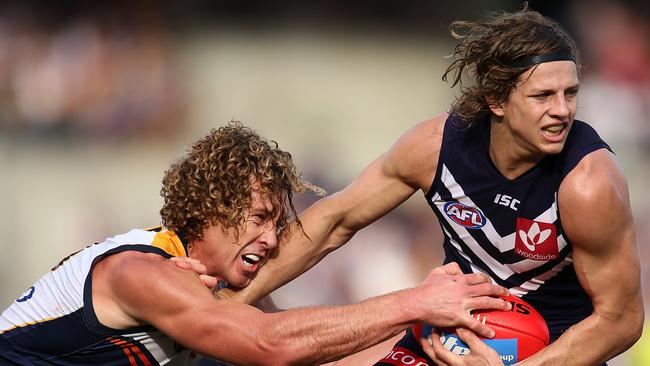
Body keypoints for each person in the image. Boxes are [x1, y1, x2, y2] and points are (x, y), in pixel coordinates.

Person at [221, 8, 645, 366]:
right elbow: (333, 222)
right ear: (497, 100)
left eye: (570, 93)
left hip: (553, 351)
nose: (562, 111)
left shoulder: (588, 183)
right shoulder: (435, 148)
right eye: (542, 96)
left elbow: (622, 319)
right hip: (446, 338)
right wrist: (230, 304)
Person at [0, 122, 510, 365]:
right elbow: (271, 344)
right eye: (261, 218)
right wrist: (416, 301)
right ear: (210, 208)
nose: (271, 239)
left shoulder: (212, 289)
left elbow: (316, 354)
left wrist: (429, 346)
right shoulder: (142, 274)